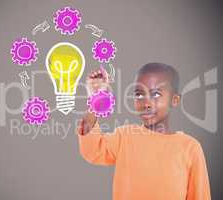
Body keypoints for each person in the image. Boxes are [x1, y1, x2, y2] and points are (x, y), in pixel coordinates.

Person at [77, 63, 211, 200]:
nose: (146, 103)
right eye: (139, 95)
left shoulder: (190, 147)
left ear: (174, 100)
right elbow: (92, 150)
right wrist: (95, 98)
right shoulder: (125, 137)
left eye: (156, 94)